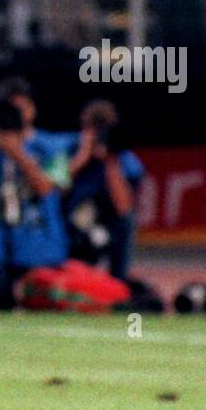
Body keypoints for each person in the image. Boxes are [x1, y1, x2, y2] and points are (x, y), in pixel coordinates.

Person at [0, 78, 70, 309]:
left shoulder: (48, 145)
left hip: (38, 249)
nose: (15, 115)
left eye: (20, 108)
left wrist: (17, 152)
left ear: (32, 109)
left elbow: (50, 188)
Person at [64, 100, 144, 282]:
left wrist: (110, 161)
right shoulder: (69, 148)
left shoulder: (126, 160)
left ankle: (118, 280)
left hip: (108, 223)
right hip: (73, 222)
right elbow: (54, 189)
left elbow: (123, 208)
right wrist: (82, 157)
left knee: (127, 221)